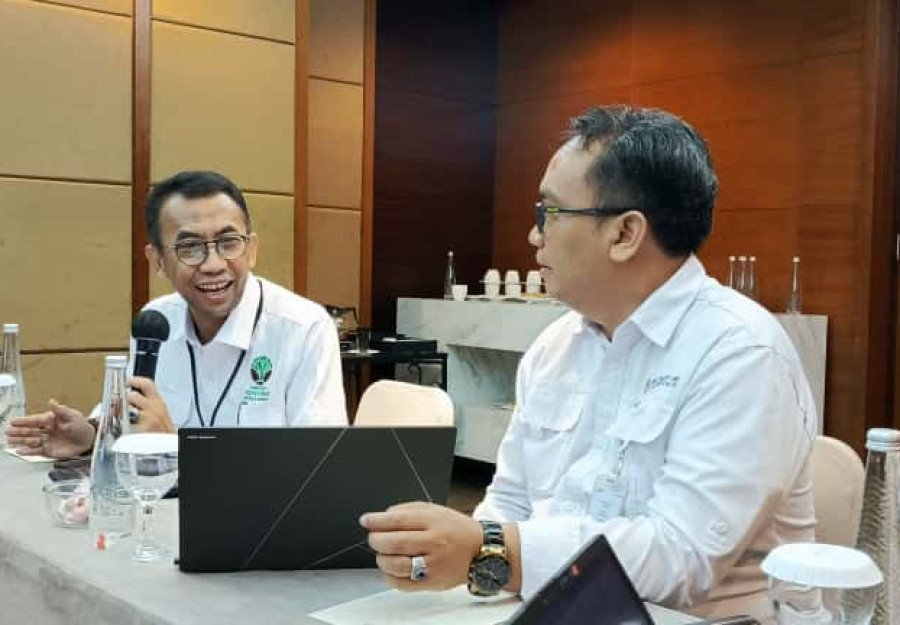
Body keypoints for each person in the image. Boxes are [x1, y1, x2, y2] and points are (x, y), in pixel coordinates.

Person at [360, 106, 816, 621]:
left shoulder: (739, 353)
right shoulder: (555, 347)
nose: (534, 236)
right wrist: (467, 552)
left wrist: (492, 550)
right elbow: (510, 502)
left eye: (549, 213)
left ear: (624, 234)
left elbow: (680, 558)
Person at [8, 170, 347, 457]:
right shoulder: (157, 322)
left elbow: (317, 465)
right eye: (190, 247)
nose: (214, 265)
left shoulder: (304, 329)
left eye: (229, 242)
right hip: (160, 504)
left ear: (252, 249)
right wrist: (92, 435)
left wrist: (175, 447)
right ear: (157, 261)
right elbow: (133, 413)